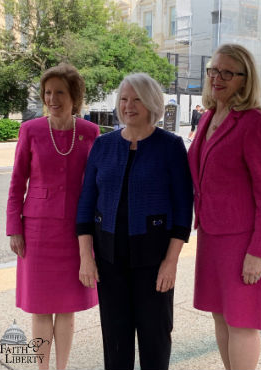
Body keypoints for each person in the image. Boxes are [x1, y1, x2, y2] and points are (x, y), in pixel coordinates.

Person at [76, 73, 193, 370]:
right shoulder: (103, 146)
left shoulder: (170, 146)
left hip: (154, 259)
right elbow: (86, 204)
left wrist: (171, 262)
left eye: (137, 99)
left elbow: (183, 209)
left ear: (151, 102)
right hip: (109, 258)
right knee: (115, 339)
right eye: (124, 99)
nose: (129, 105)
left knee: (155, 338)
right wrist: (86, 259)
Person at [188, 44, 261, 370]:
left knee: (242, 322)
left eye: (228, 72)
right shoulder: (209, 117)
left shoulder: (254, 123)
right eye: (214, 70)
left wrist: (258, 251)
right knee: (221, 316)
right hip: (212, 236)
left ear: (245, 79)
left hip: (243, 242)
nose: (218, 77)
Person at [6, 63, 99, 370]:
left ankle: (62, 367)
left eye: (60, 92)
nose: (52, 98)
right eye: (48, 92)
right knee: (41, 307)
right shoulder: (30, 130)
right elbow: (17, 181)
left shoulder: (89, 132)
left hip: (76, 233)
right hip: (36, 231)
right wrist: (13, 228)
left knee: (67, 307)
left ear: (75, 96)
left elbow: (97, 184)